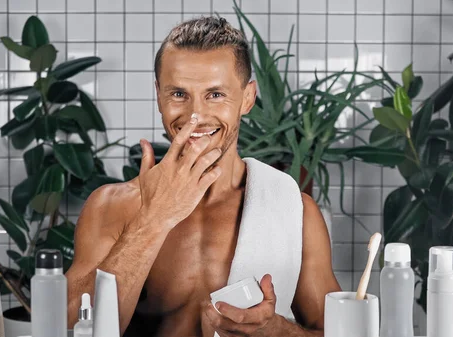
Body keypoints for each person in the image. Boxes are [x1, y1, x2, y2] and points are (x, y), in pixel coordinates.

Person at [65, 16, 341, 337]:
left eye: (215, 95)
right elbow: (67, 326)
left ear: (248, 98)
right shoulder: (112, 207)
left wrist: (279, 331)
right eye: (179, 94)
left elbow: (339, 331)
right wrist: (153, 219)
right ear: (158, 95)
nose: (196, 117)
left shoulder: (294, 210)